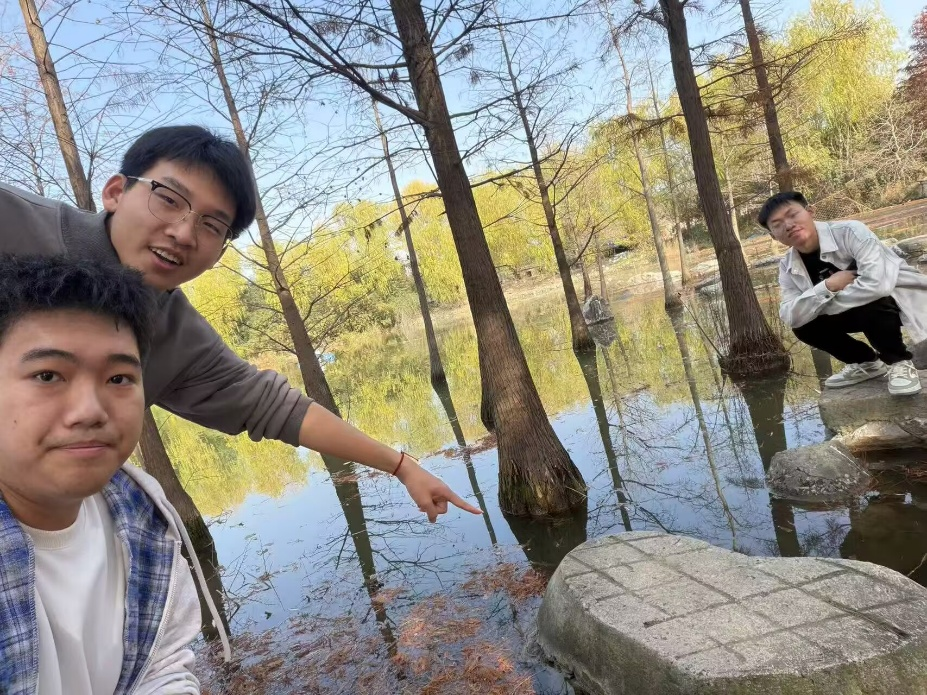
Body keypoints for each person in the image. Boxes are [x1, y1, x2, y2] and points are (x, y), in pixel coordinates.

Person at [0, 125, 480, 522]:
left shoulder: (179, 337)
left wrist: (402, 466)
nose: (183, 233)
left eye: (212, 225)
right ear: (115, 192)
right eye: (169, 199)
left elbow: (273, 406)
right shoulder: (15, 223)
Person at [0, 255, 228, 695]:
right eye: (48, 375)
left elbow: (161, 666)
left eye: (119, 379)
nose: (90, 411)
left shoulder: (144, 520)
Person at [759, 191, 927, 395]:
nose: (788, 225)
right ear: (773, 236)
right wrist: (827, 287)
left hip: (896, 302)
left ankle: (899, 362)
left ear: (810, 211)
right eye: (777, 224)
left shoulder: (851, 232)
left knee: (869, 300)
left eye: (793, 215)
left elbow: (877, 286)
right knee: (803, 325)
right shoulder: (787, 265)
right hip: (850, 310)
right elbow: (789, 315)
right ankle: (867, 363)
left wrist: (818, 305)